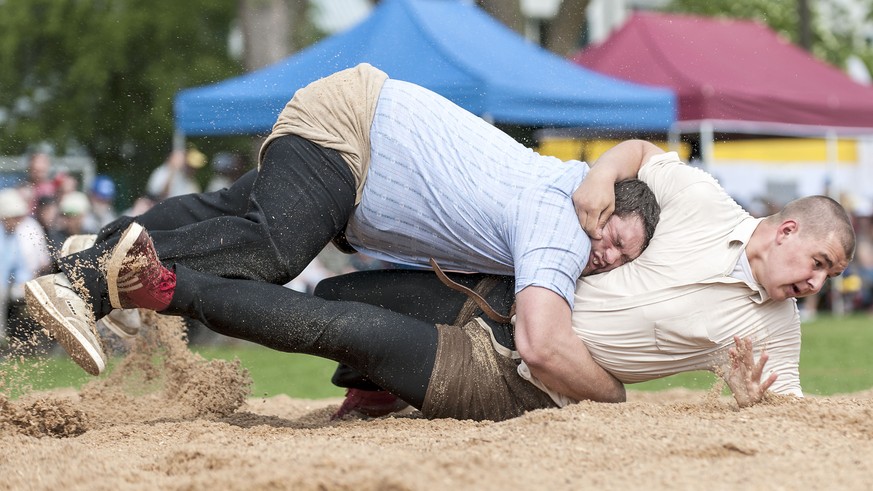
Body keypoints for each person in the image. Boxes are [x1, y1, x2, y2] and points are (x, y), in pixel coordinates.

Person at [25, 64, 659, 391]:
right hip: (354, 145)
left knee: (226, 218)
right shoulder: (567, 219)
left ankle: (95, 245)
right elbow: (544, 345)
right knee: (273, 249)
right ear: (606, 203)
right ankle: (83, 281)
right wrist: (614, 398)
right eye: (615, 237)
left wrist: (611, 165)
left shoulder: (573, 181)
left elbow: (651, 157)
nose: (604, 252)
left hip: (351, 155)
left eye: (620, 257)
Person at [0, 188, 49, 345]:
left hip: (16, 284)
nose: (16, 221)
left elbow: (22, 267)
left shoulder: (18, 233)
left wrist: (25, 282)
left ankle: (33, 342)